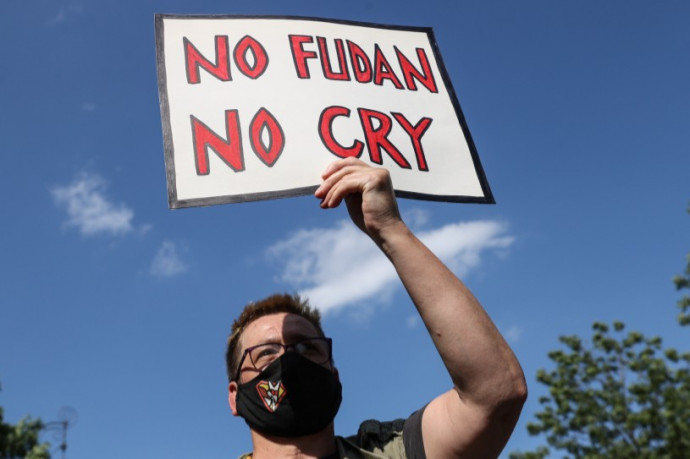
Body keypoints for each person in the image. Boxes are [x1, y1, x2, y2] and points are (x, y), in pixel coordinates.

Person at [225, 158, 527, 458]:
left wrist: (388, 228)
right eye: (266, 353)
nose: (290, 360)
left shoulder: (393, 452)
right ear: (235, 397)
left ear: (335, 376)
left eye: (307, 349)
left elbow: (495, 395)